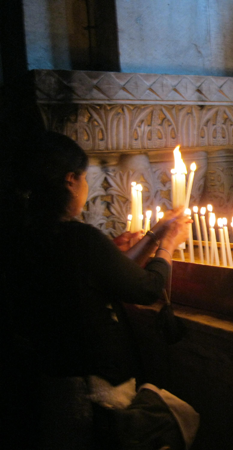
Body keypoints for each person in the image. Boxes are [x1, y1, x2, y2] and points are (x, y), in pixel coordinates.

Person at [2, 131, 198, 449]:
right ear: (70, 180)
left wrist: (151, 237)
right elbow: (147, 288)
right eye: (84, 178)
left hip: (50, 382)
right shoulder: (81, 239)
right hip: (96, 387)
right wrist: (168, 247)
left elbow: (105, 275)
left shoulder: (22, 239)